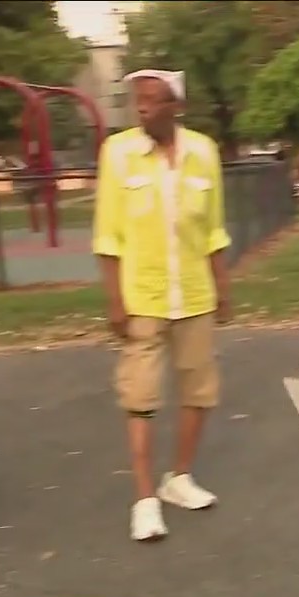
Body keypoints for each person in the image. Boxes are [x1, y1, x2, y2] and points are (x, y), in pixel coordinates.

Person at [93, 68, 232, 541]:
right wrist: (115, 301)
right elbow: (107, 236)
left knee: (198, 390)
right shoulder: (118, 154)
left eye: (153, 100)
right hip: (143, 297)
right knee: (141, 396)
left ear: (177, 106)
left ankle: (180, 478)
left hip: (194, 294)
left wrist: (222, 286)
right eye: (139, 101)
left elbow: (213, 230)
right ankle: (145, 499)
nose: (143, 108)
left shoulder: (203, 153)